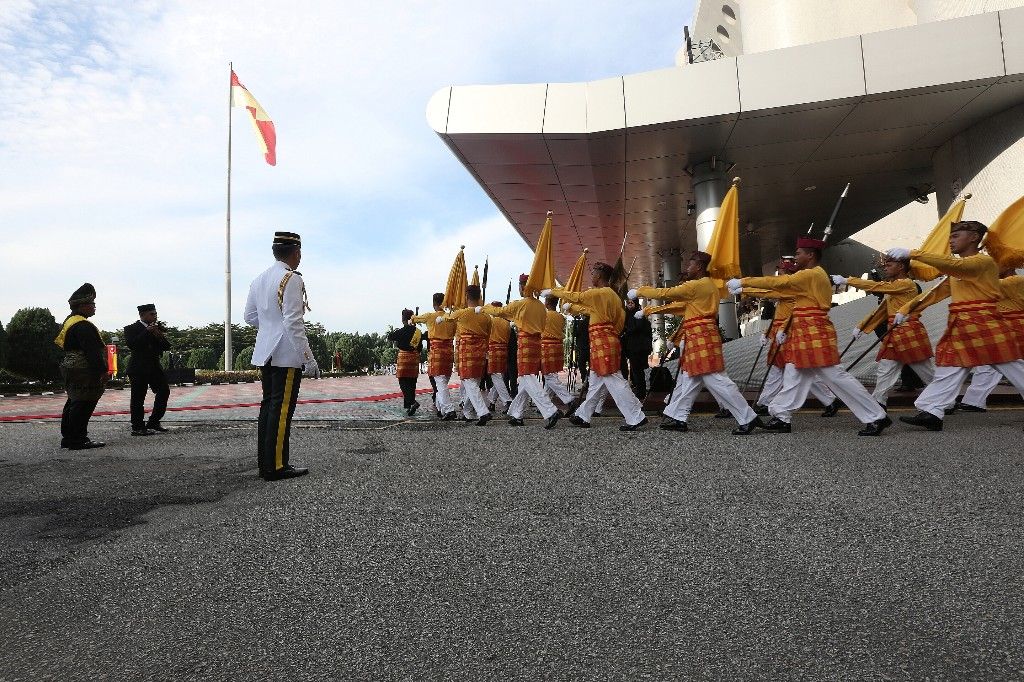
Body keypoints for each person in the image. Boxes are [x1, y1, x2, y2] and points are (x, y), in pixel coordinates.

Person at [728, 237, 892, 436]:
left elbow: (779, 283)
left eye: (799, 253)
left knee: (836, 377)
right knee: (794, 376)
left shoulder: (812, 275)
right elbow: (778, 289)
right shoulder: (810, 275)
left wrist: (744, 282)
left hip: (815, 333)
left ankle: (876, 416)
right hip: (805, 333)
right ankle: (781, 416)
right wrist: (746, 288)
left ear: (810, 255)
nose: (796, 257)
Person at [887, 221, 1024, 431]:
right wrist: (905, 311)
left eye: (956, 235)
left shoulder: (983, 262)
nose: (950, 240)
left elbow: (957, 266)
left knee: (1012, 367)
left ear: (974, 237)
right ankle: (932, 411)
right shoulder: (957, 271)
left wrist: (912, 253)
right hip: (960, 326)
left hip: (984, 323)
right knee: (949, 369)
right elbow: (934, 293)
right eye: (951, 236)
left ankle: (932, 409)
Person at [632, 251, 760, 434]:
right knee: (692, 378)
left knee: (717, 380)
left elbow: (666, 293)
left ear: (699, 266)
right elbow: (679, 307)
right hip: (700, 337)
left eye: (690, 264)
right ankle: (678, 417)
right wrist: (649, 311)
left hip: (700, 338)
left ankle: (748, 417)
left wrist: (640, 291)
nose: (687, 268)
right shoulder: (707, 286)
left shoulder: (697, 286)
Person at [243, 231, 319, 481]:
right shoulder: (291, 278)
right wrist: (308, 358)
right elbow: (294, 322)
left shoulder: (259, 279)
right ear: (296, 253)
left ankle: (266, 463)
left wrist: (270, 326)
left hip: (265, 351)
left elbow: (249, 317)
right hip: (286, 354)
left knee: (268, 408)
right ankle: (276, 466)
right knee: (282, 409)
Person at [546, 262, 646, 431]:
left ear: (599, 276)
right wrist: (572, 309)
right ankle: (583, 416)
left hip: (603, 343)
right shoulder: (613, 296)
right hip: (606, 342)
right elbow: (590, 311)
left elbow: (577, 296)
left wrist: (554, 291)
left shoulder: (600, 293)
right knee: (595, 382)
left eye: (593, 273)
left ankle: (635, 416)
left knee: (613, 379)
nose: (591, 276)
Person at [831, 252, 935, 408]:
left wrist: (848, 280)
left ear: (901, 267)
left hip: (908, 333)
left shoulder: (906, 284)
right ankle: (878, 404)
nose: (885, 269)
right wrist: (861, 327)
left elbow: (876, 286)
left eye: (889, 265)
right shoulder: (893, 287)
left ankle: (946, 401)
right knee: (885, 371)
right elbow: (881, 311)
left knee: (926, 373)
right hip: (894, 334)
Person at [744, 257, 840, 417]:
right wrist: (767, 333)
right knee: (797, 370)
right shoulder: (787, 290)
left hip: (790, 332)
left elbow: (768, 291)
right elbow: (777, 317)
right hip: (782, 332)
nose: (778, 274)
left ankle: (767, 404)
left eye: (781, 271)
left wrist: (743, 288)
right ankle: (829, 400)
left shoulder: (790, 289)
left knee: (787, 370)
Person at [480, 274, 562, 428]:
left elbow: (499, 312)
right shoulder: (540, 306)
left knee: (527, 377)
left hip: (525, 343)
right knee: (525, 381)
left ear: (523, 286)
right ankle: (517, 414)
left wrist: (484, 308)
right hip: (537, 343)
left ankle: (550, 411)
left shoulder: (520, 304)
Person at [954, 266, 1024, 412]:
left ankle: (974, 401)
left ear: (1008, 265)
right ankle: (974, 401)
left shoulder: (1015, 281)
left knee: (998, 366)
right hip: (1003, 332)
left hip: (1016, 331)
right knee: (988, 365)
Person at [55, 283, 108, 450]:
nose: (94, 308)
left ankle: (69, 438)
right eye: (92, 304)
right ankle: (78, 439)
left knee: (74, 401)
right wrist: (102, 371)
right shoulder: (83, 325)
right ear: (83, 305)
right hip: (83, 368)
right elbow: (92, 352)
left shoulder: (70, 321)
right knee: (84, 402)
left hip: (71, 365)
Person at [440, 284, 493, 425]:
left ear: (466, 296)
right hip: (481, 350)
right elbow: (488, 335)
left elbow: (447, 318)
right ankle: (468, 412)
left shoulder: (461, 313)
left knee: (469, 381)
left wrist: (444, 314)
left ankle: (483, 412)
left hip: (467, 351)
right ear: (480, 296)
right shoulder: (487, 316)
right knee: (473, 382)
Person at [123, 303, 172, 436]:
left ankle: (154, 421)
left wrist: (158, 334)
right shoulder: (131, 328)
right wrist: (147, 332)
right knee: (138, 398)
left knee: (164, 391)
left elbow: (167, 346)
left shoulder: (157, 328)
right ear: (142, 315)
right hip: (138, 368)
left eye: (155, 314)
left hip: (154, 367)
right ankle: (138, 426)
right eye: (152, 314)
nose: (154, 316)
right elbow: (133, 345)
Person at [411, 294, 458, 420]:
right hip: (449, 351)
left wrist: (412, 318)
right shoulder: (451, 318)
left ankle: (449, 410)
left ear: (434, 303)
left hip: (437, 353)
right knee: (442, 381)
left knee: (440, 382)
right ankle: (441, 409)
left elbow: (414, 319)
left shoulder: (430, 316)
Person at [542, 295, 575, 408]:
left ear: (547, 302)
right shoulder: (561, 317)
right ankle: (546, 403)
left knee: (549, 376)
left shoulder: (544, 315)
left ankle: (568, 399)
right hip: (557, 346)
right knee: (551, 375)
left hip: (546, 347)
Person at [388, 308, 423, 416]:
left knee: (403, 382)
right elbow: (420, 347)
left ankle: (412, 402)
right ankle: (408, 406)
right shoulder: (417, 332)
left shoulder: (401, 331)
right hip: (414, 359)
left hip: (404, 359)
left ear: (403, 319)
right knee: (412, 383)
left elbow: (390, 336)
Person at [483, 301, 514, 413]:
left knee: (496, 376)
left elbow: (485, 336)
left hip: (493, 349)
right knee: (498, 377)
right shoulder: (507, 323)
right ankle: (491, 401)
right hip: (503, 350)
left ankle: (507, 400)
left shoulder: (491, 321)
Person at [621, 298, 653, 401]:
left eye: (631, 303)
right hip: (633, 347)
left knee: (638, 370)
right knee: (636, 370)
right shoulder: (629, 315)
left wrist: (626, 331)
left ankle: (641, 392)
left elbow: (637, 329)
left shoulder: (639, 316)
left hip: (638, 348)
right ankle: (639, 390)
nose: (629, 305)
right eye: (628, 303)